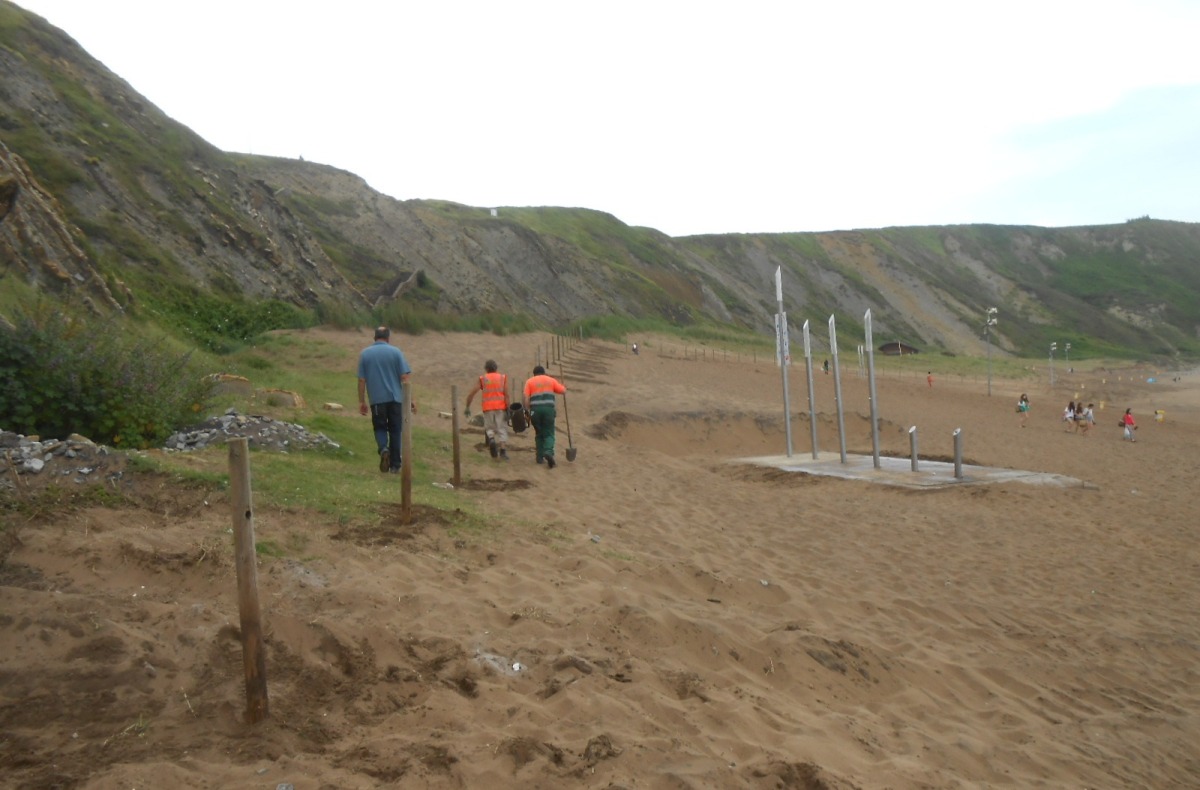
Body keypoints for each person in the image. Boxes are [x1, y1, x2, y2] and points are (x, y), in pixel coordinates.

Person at [357, 326, 415, 473]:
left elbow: (362, 380)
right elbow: (404, 377)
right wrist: (411, 399)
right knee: (396, 430)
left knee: (380, 427)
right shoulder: (396, 352)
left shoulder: (365, 354)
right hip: (396, 399)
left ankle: (383, 449)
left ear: (374, 337)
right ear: (388, 338)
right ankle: (395, 465)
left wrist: (362, 401)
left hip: (377, 400)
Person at [464, 359, 510, 460]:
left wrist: (467, 406)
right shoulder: (502, 378)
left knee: (489, 428)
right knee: (502, 429)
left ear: (486, 369)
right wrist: (508, 409)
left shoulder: (483, 379)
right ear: (496, 368)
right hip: (501, 407)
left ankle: (492, 440)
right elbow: (507, 395)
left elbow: (472, 393)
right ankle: (503, 451)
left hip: (488, 408)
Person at [523, 364, 566, 469]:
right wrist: (564, 386)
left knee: (539, 433)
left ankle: (539, 457)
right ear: (544, 373)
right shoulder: (550, 380)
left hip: (535, 411)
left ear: (534, 374)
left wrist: (527, 411)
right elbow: (562, 391)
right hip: (548, 410)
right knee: (549, 433)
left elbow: (526, 398)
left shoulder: (529, 382)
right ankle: (548, 452)